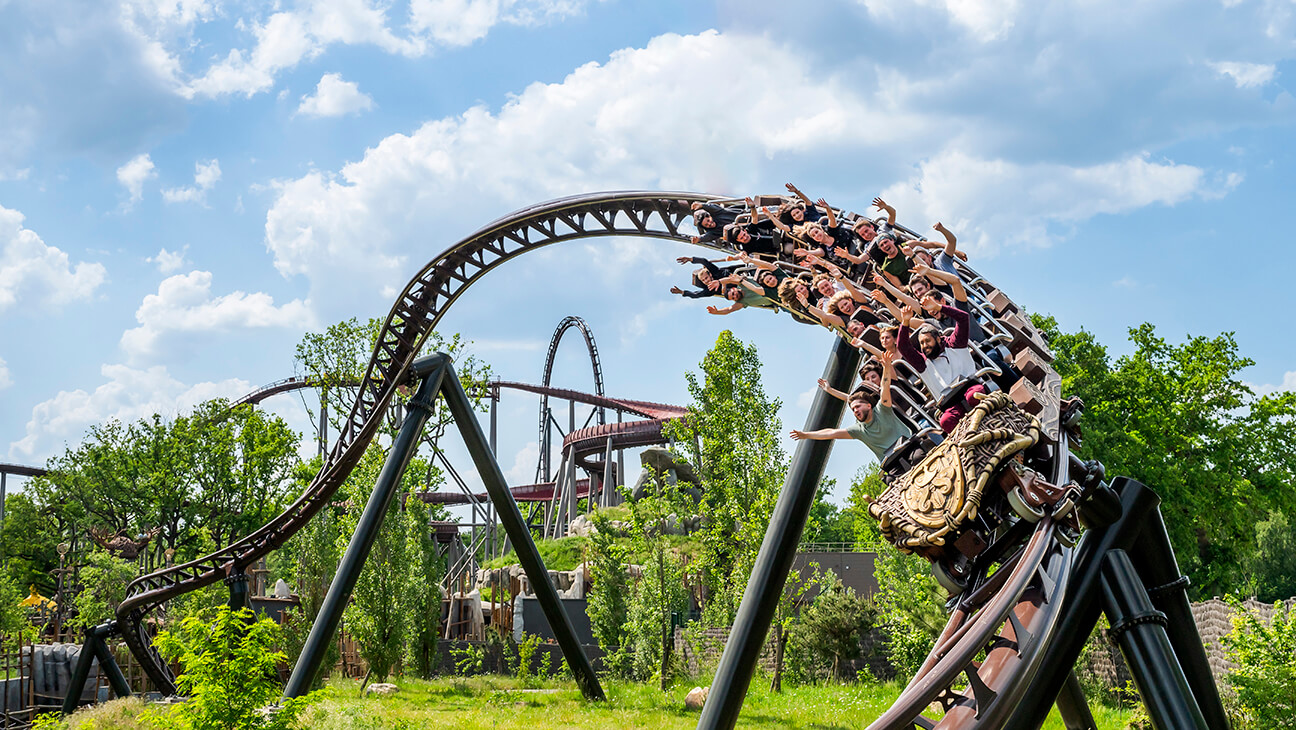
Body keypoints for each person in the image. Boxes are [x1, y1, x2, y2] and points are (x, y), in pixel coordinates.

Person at [789, 352, 912, 460]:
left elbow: (885, 384)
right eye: (853, 409)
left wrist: (886, 367)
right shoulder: (858, 430)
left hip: (908, 441)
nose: (855, 411)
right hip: (892, 461)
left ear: (869, 406)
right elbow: (831, 433)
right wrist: (806, 435)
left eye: (857, 407)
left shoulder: (882, 408)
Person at [896, 302, 985, 432]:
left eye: (927, 341)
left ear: (938, 339)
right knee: (946, 421)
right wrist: (905, 322)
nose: (925, 346)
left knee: (974, 396)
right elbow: (902, 346)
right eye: (922, 343)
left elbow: (963, 318)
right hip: (950, 402)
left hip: (970, 386)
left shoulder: (954, 343)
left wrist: (938, 307)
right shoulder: (922, 363)